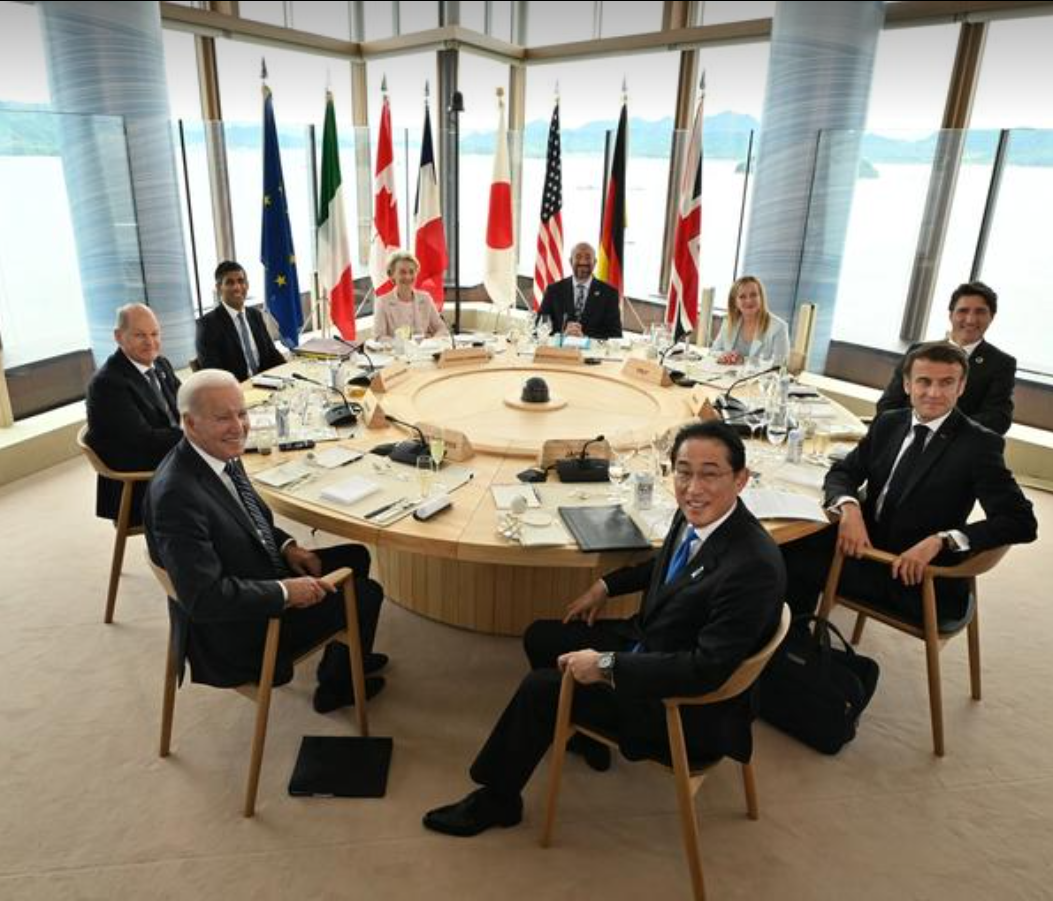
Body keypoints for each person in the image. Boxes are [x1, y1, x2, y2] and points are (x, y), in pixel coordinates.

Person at [422, 420, 785, 837]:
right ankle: (588, 735)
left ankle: (498, 799)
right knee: (542, 635)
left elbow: (706, 671)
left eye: (710, 473)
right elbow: (671, 566)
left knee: (540, 690)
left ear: (741, 480)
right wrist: (607, 585)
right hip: (655, 646)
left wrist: (607, 666)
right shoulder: (703, 518)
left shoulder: (752, 566)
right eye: (684, 471)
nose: (692, 487)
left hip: (683, 709)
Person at [143, 369, 387, 712]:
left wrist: (288, 547)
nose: (239, 426)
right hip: (241, 629)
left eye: (241, 413)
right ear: (190, 423)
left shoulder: (217, 453)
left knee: (356, 557)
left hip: (253, 573)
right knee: (366, 594)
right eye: (223, 417)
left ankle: (344, 667)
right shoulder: (177, 497)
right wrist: (286, 591)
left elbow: (247, 519)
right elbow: (206, 599)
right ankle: (338, 689)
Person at [783, 341, 1037, 626]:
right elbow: (844, 472)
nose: (934, 393)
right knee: (786, 540)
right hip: (868, 539)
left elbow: (1021, 521)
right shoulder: (889, 422)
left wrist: (943, 540)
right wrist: (850, 507)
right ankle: (791, 638)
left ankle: (791, 646)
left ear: (961, 387)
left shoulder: (979, 445)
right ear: (907, 385)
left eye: (946, 383)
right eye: (924, 382)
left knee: (787, 560)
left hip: (912, 575)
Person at [876, 281, 1016, 435]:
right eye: (963, 311)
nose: (970, 320)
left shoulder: (1001, 363)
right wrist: (917, 427)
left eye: (980, 312)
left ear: (992, 317)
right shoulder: (918, 352)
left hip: (959, 447)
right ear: (951, 315)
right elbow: (888, 404)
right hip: (907, 436)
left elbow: (997, 419)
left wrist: (940, 430)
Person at [85, 303, 182, 525]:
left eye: (155, 333)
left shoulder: (160, 364)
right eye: (140, 335)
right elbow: (143, 441)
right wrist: (197, 435)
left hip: (169, 457)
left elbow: (185, 404)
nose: (150, 342)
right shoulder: (107, 384)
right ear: (119, 337)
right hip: (139, 482)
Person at [195, 261, 287, 381]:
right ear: (219, 288)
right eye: (230, 282)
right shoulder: (207, 325)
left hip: (265, 383)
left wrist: (288, 371)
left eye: (241, 281)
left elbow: (271, 353)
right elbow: (213, 373)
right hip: (234, 391)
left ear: (247, 285)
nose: (237, 287)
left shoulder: (255, 315)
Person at [536, 242, 623, 340]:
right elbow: (539, 329)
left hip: (592, 354)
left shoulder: (609, 294)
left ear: (594, 262)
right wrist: (562, 336)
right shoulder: (554, 290)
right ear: (570, 261)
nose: (583, 261)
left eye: (587, 257)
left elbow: (615, 336)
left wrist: (585, 339)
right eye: (578, 257)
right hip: (559, 352)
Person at [711, 275, 789, 367]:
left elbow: (780, 365)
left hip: (760, 381)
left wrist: (744, 361)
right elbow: (713, 352)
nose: (748, 301)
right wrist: (723, 356)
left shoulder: (779, 327)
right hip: (725, 378)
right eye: (742, 297)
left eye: (753, 295)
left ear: (761, 298)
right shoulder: (729, 321)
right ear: (735, 302)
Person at [372, 250, 448, 339]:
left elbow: (441, 328)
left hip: (424, 351)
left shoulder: (425, 298)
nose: (408, 277)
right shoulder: (382, 302)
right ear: (392, 274)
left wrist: (431, 343)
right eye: (402, 272)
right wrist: (403, 345)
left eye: (411, 272)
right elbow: (379, 337)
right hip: (396, 352)